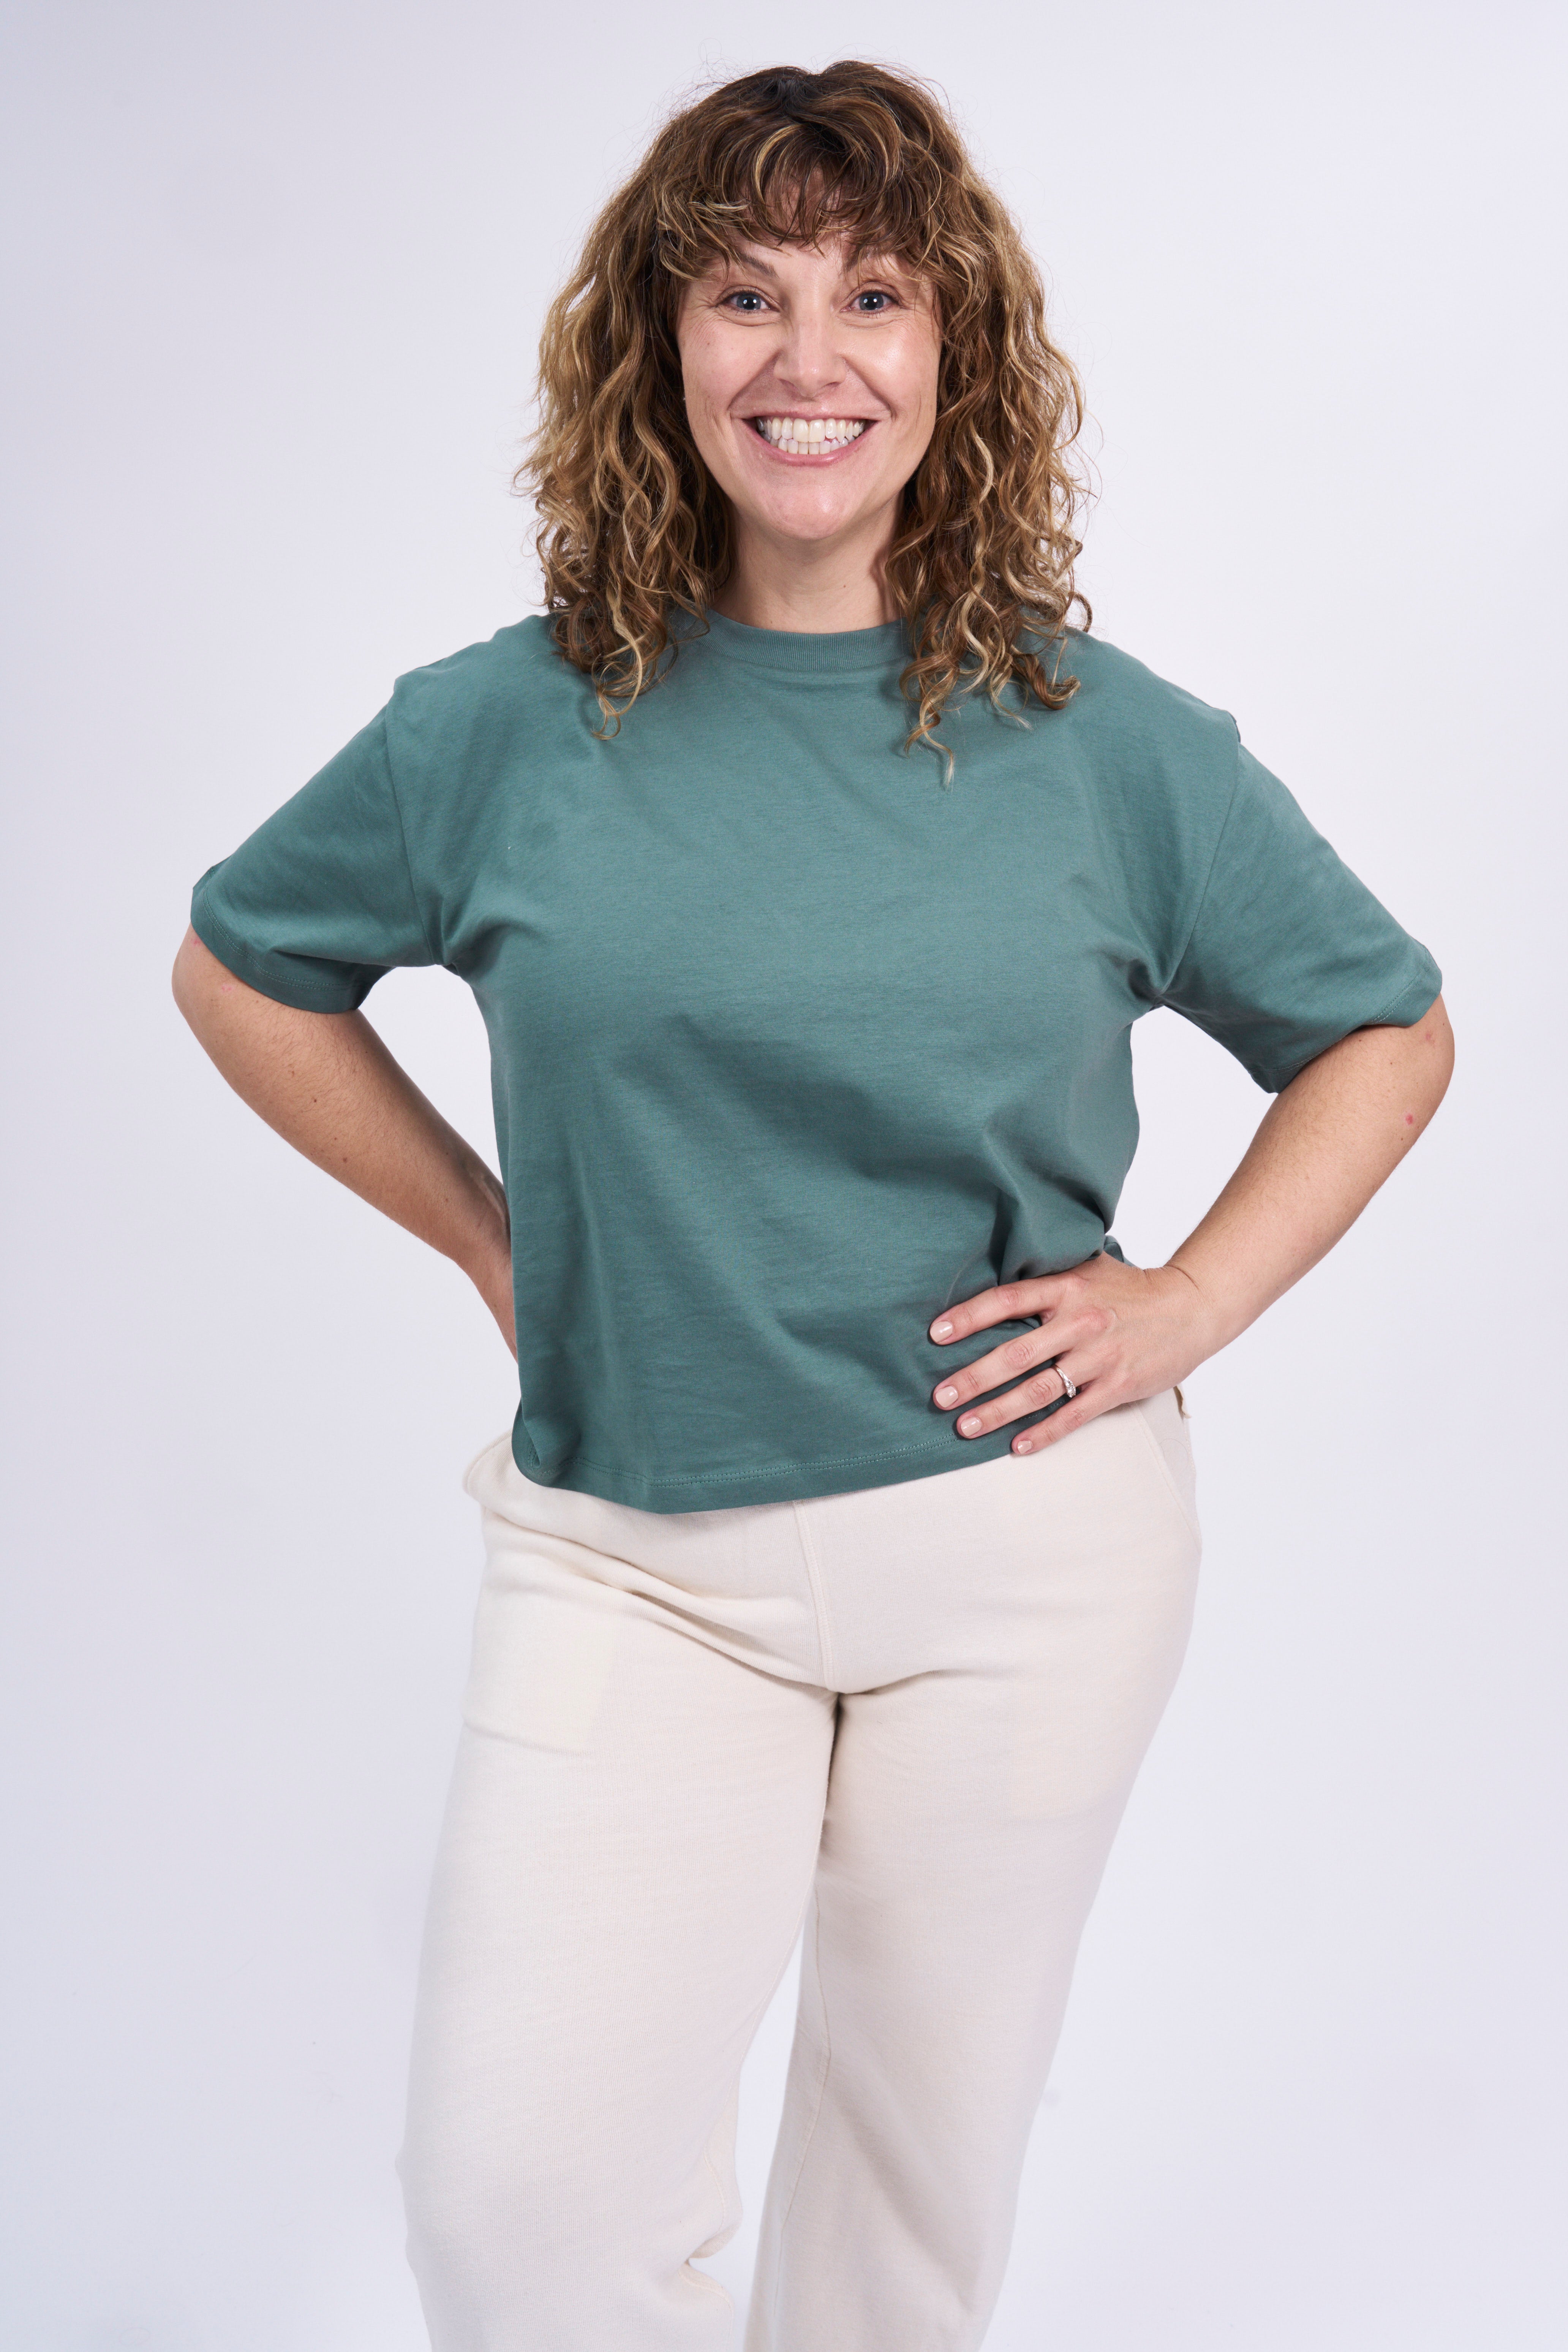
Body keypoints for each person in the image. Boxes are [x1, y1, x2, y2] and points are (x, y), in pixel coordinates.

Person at [171, 57, 1452, 2352]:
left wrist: (1188, 1303)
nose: (809, 355)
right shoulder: (503, 729)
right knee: (517, 2215)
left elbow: (1383, 1026)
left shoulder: (1102, 739)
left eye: (873, 294)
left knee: (898, 2229)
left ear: (955, 356)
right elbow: (242, 966)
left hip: (1030, 1565)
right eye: (745, 293)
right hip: (631, 1557)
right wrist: (491, 1235)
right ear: (657, 350)